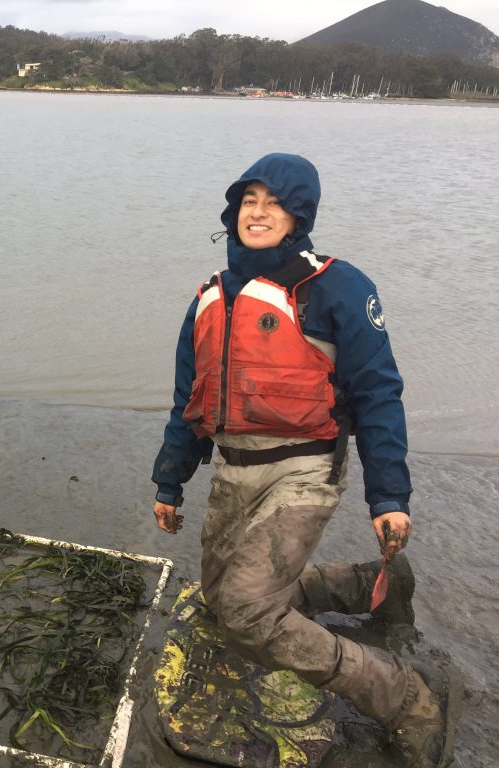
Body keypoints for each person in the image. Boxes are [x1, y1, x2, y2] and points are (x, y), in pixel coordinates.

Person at [150, 153, 460, 768]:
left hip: (306, 469)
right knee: (223, 604)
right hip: (235, 469)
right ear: (233, 211)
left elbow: (377, 395)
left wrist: (389, 498)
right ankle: (368, 585)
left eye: (274, 202)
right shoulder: (210, 297)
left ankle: (405, 700)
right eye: (248, 201)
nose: (258, 212)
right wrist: (169, 482)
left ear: (300, 215)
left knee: (245, 610)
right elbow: (190, 400)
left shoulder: (339, 287)